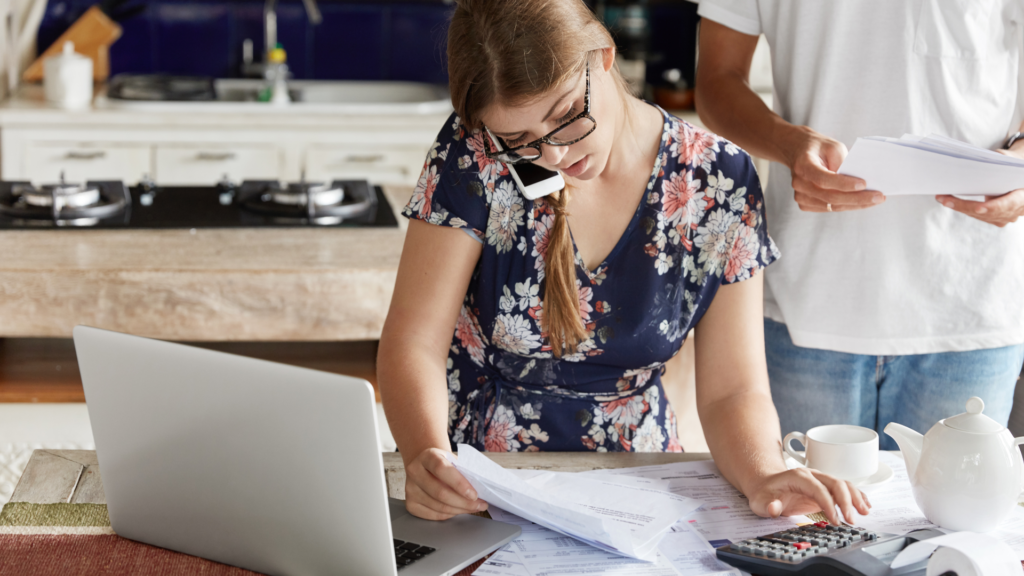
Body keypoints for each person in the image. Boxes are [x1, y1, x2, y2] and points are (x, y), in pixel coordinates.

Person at [377, 0, 870, 524]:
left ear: (605, 56)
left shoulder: (717, 180)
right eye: (518, 140)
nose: (554, 156)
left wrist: (765, 472)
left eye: (565, 115)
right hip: (484, 482)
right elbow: (414, 342)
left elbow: (734, 390)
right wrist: (425, 455)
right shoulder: (473, 151)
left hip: (642, 485)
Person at [694, 1, 1024, 450]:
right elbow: (715, 80)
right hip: (805, 302)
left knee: (951, 521)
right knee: (804, 517)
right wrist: (790, 144)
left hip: (969, 308)